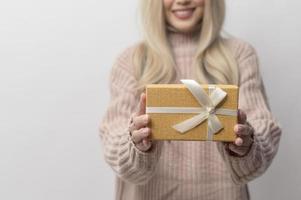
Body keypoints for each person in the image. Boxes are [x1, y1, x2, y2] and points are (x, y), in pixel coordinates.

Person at [99, 0, 282, 199]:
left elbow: (263, 130)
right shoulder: (132, 60)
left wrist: (246, 146)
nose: (183, 0)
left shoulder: (239, 56)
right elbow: (112, 139)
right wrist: (134, 144)